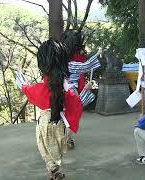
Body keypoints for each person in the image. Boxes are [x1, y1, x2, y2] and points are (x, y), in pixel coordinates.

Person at [16, 40, 93, 180]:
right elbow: (75, 103)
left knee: (46, 149)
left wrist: (23, 85)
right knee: (57, 150)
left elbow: (33, 92)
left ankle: (53, 171)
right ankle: (55, 171)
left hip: (46, 122)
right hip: (62, 124)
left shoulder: (44, 88)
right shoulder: (65, 87)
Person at [61, 30, 101, 149]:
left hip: (61, 90)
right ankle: (66, 139)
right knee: (72, 115)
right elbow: (86, 66)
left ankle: (64, 138)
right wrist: (97, 54)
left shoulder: (60, 62)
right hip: (71, 91)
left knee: (64, 115)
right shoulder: (71, 64)